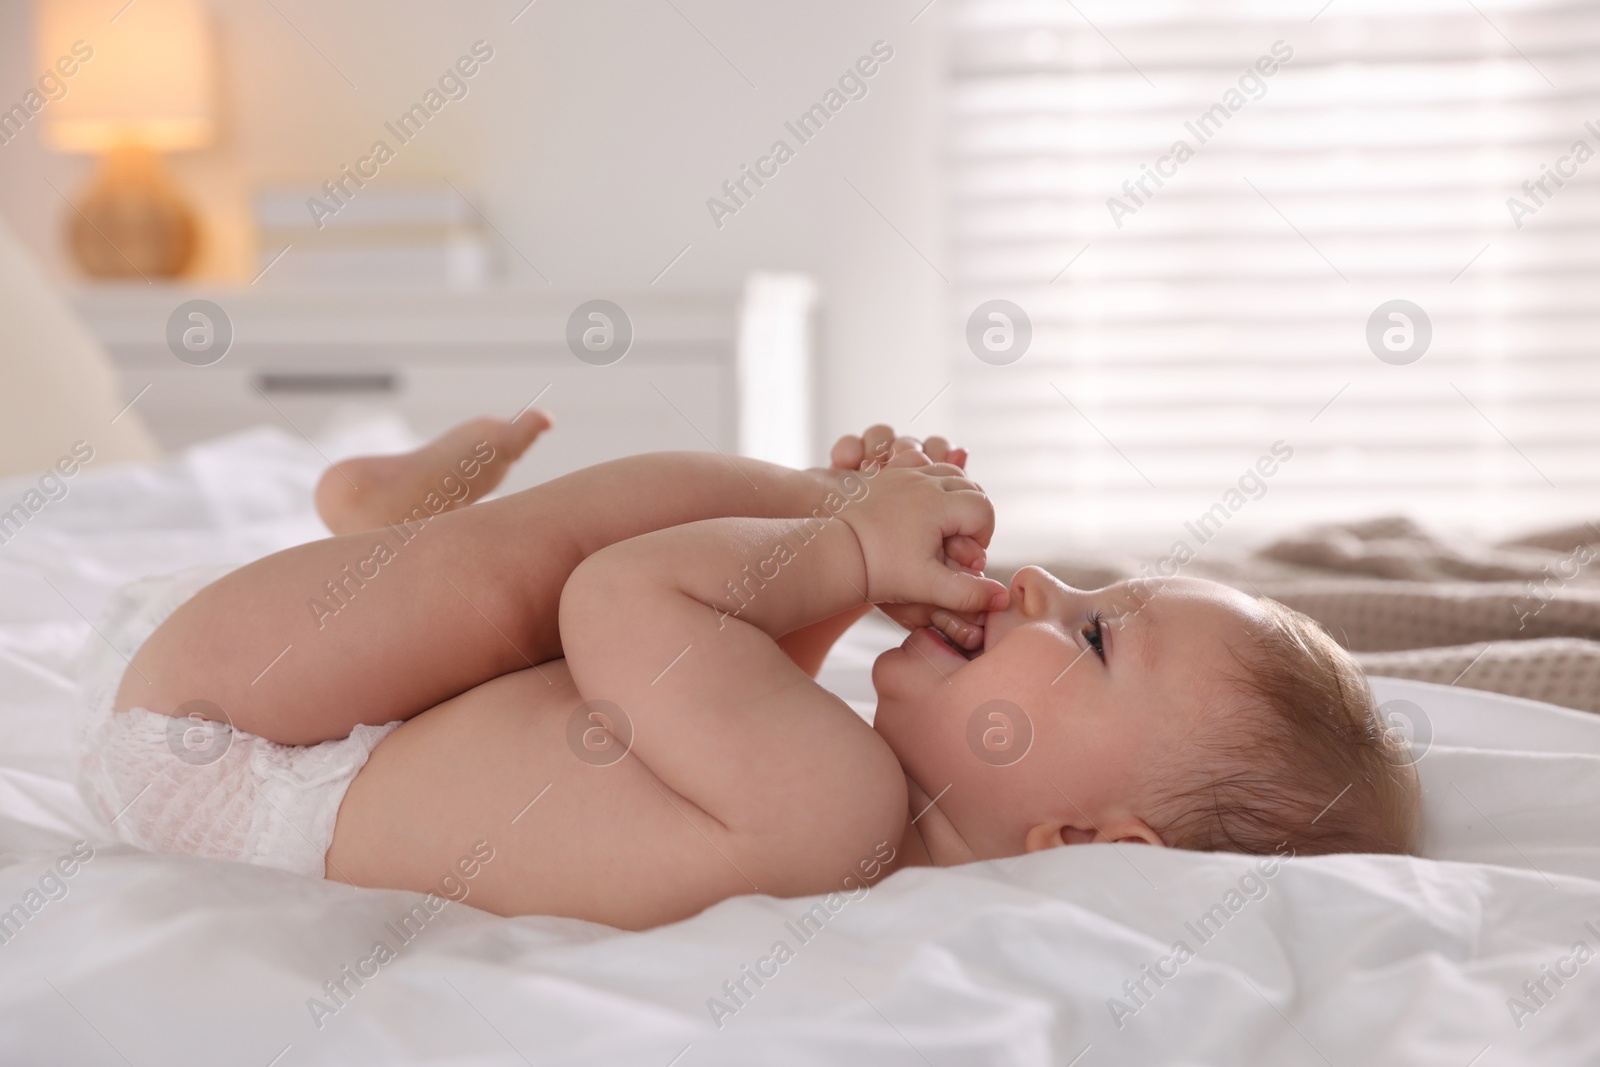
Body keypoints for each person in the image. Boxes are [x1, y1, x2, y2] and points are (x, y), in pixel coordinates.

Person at [77, 415, 1419, 930]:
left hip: (238, 751)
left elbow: (631, 594)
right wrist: (824, 559)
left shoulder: (834, 811)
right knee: (604, 608)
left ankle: (403, 542)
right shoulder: (853, 815)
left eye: (1093, 636)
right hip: (362, 718)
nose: (1037, 587)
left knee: (522, 584)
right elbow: (701, 682)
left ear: (1087, 837)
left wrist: (831, 541)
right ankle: (389, 542)